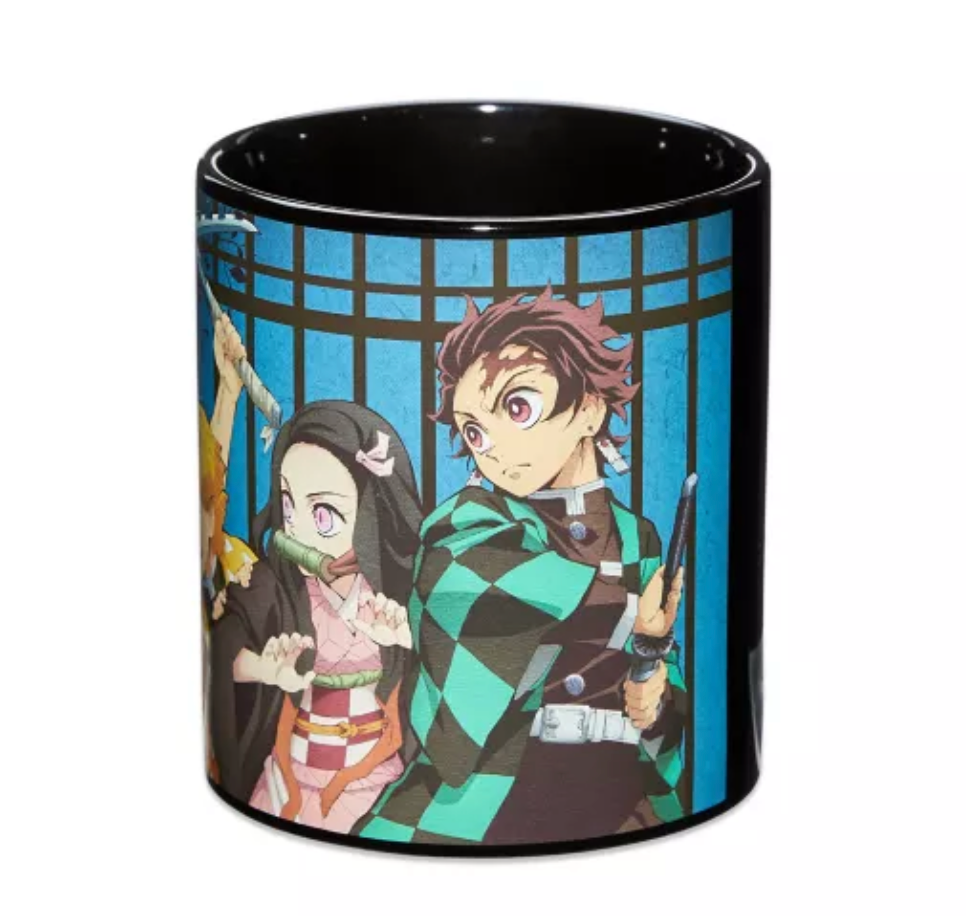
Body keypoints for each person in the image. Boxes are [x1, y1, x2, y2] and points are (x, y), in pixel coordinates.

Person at [356, 286, 686, 846]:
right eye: (474, 431)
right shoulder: (466, 522)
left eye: (518, 407)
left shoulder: (639, 537)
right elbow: (483, 600)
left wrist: (654, 694)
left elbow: (665, 677)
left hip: (621, 799)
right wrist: (636, 620)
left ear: (589, 408)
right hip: (495, 795)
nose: (494, 447)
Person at [210, 402, 422, 833]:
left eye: (323, 515)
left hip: (371, 773)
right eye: (289, 507)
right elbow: (224, 648)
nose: (298, 531)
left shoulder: (403, 593)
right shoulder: (273, 586)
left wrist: (408, 639)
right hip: (292, 771)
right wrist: (265, 669)